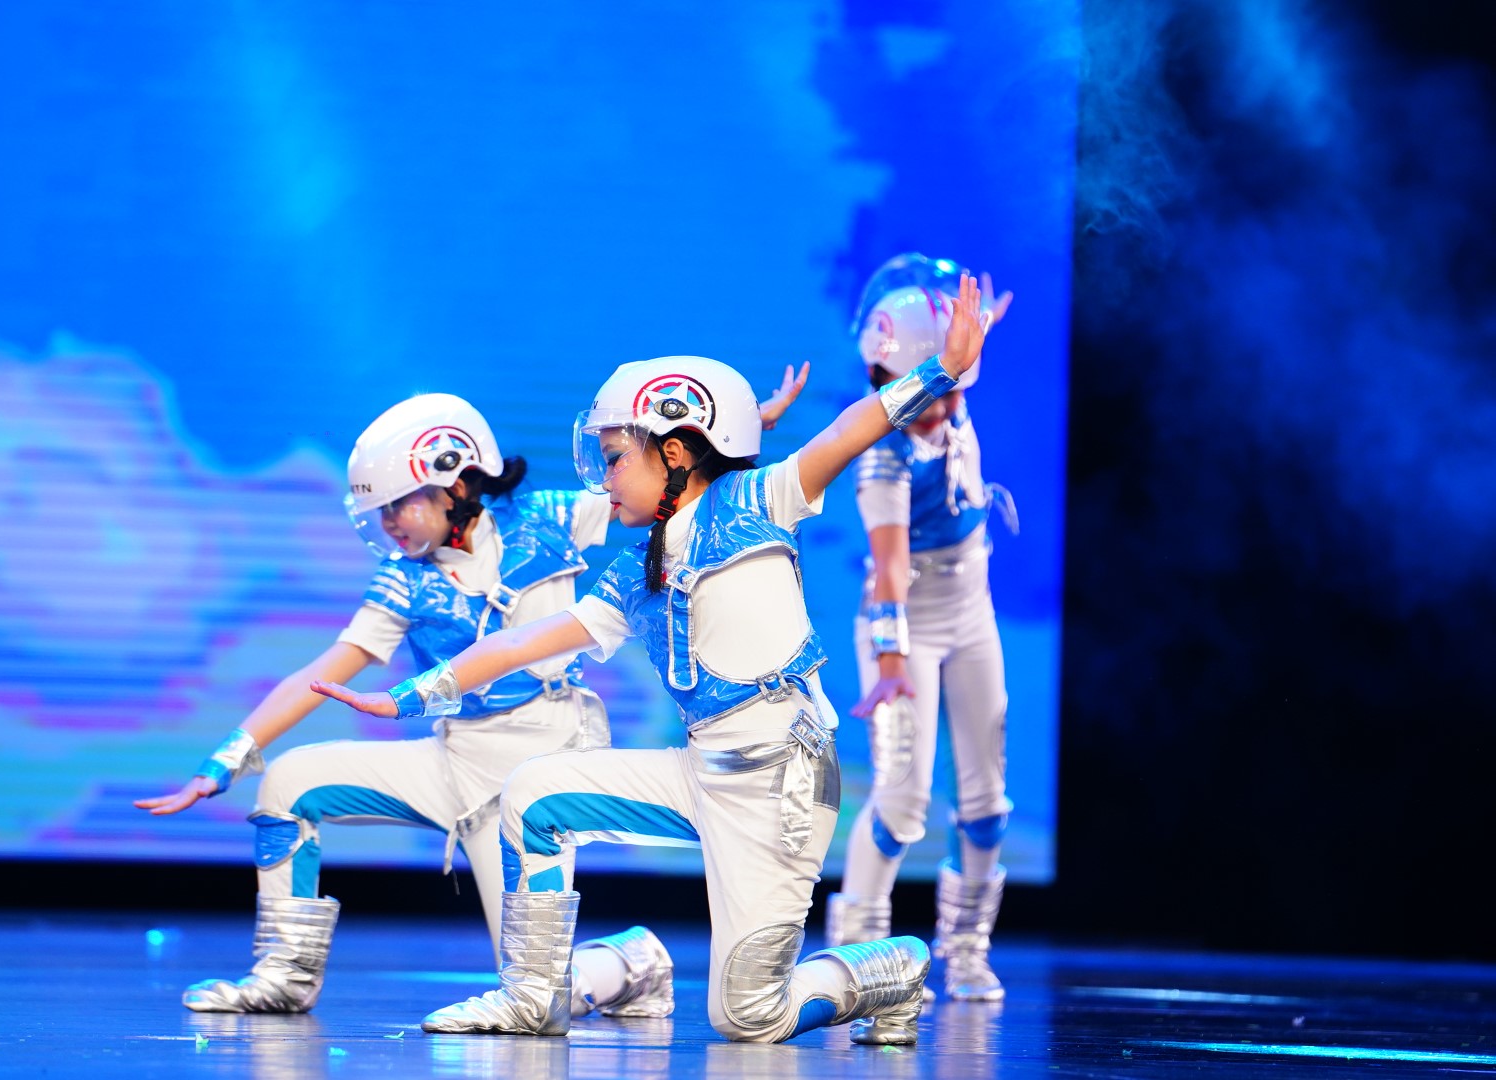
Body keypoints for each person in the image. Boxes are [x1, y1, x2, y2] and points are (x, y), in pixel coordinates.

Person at [311, 272, 992, 1045]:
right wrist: (412, 695)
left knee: (750, 1016)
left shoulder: (761, 499)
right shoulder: (638, 570)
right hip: (700, 770)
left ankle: (895, 969)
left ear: (674, 452)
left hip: (781, 784)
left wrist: (940, 370)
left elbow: (845, 433)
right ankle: (533, 997)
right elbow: (522, 641)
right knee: (532, 793)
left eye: (613, 459)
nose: (603, 480)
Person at [133, 393, 680, 1017]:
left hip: (536, 772)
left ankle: (635, 961)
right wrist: (224, 761)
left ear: (457, 481)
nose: (390, 522)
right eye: (379, 510)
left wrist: (720, 433)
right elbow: (319, 673)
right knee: (289, 783)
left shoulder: (549, 518)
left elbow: (659, 492)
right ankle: (283, 977)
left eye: (400, 503)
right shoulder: (403, 577)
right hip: (453, 757)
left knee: (538, 994)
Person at [823, 253, 1017, 1003]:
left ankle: (966, 949)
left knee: (987, 803)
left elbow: (955, 369)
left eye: (957, 383)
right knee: (902, 800)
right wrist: (892, 662)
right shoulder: (884, 455)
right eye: (938, 383)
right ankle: (855, 956)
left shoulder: (949, 400)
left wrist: (976, 329)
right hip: (905, 626)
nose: (949, 401)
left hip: (973, 613)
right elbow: (890, 569)